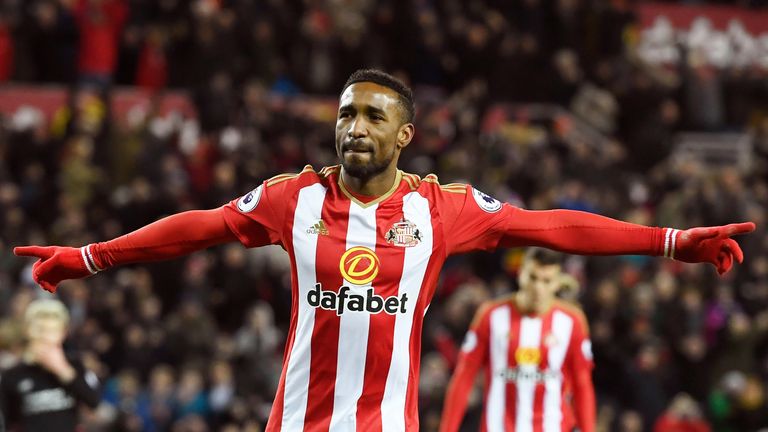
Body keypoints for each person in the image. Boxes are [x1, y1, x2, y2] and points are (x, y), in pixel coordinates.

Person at [13, 69, 754, 431]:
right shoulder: (291, 199)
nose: (354, 126)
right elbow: (197, 226)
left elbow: (552, 226)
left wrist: (668, 240)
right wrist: (90, 257)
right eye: (345, 113)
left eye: (373, 115)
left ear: (404, 135)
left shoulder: (442, 209)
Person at [439, 248, 595, 432]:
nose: (538, 288)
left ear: (557, 283)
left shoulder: (572, 322)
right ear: (521, 274)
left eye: (546, 281)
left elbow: (582, 385)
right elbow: (463, 377)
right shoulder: (491, 316)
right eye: (533, 278)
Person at [0, 299, 100, 431]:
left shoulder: (74, 365)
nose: (46, 337)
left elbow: (94, 402)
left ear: (63, 334)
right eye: (41, 329)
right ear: (28, 331)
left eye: (53, 331)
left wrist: (63, 370)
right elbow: (8, 422)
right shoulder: (13, 375)